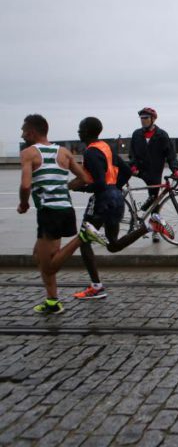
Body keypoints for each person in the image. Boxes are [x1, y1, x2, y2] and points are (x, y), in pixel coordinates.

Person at [73, 117, 173, 299]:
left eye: (80, 129)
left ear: (87, 131)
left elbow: (100, 183)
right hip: (116, 199)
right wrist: (116, 188)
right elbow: (126, 171)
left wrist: (80, 188)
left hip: (102, 200)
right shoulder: (107, 148)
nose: (78, 132)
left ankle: (96, 287)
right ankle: (150, 226)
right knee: (113, 245)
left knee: (84, 240)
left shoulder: (90, 153)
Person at [18, 115, 90, 314]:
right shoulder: (64, 153)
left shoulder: (29, 153)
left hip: (49, 212)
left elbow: (25, 185)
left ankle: (83, 238)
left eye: (24, 131)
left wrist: (23, 204)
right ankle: (52, 301)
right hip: (65, 209)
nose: (22, 135)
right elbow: (84, 178)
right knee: (39, 256)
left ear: (32, 132)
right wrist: (64, 188)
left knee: (48, 266)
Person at [129, 107, 178, 242]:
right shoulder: (136, 134)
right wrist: (133, 166)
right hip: (139, 170)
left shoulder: (162, 135)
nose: (143, 121)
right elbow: (132, 153)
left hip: (154, 171)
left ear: (153, 119)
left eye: (146, 118)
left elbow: (170, 154)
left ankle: (154, 229)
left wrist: (175, 169)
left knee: (155, 199)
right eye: (141, 118)